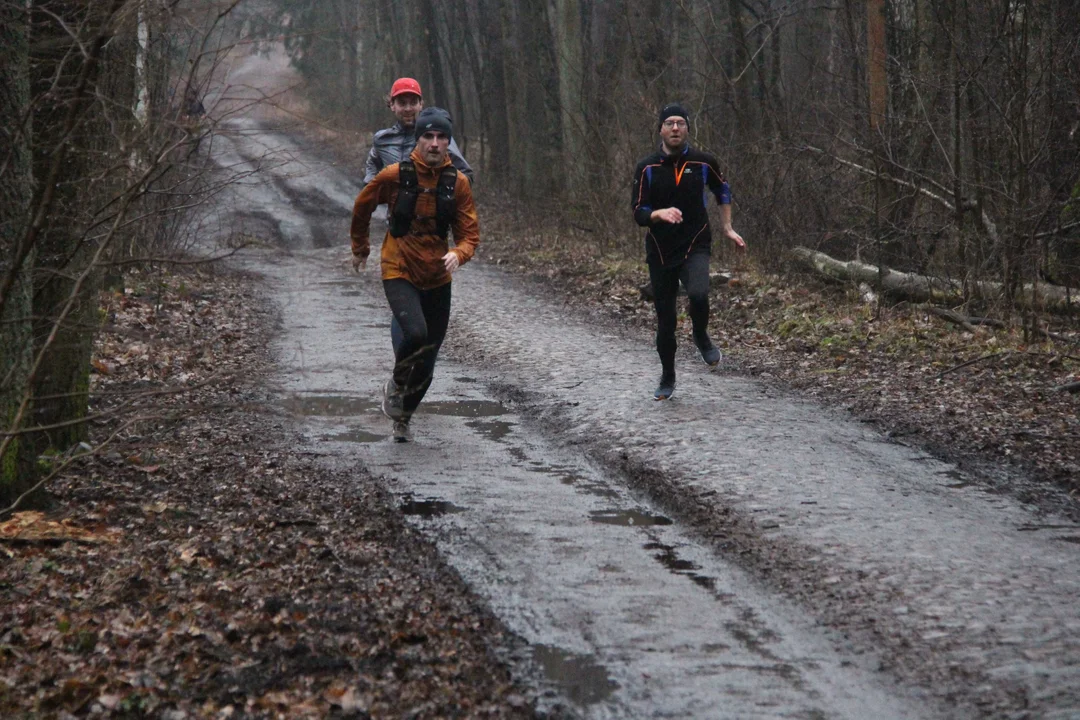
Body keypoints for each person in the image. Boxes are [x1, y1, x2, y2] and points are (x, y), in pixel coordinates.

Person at [350, 107, 479, 441]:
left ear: (449, 143)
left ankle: (403, 416)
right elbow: (363, 205)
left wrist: (458, 253)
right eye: (428, 136)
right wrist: (361, 247)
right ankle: (395, 384)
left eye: (441, 138)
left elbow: (470, 235)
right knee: (416, 333)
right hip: (399, 266)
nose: (434, 144)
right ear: (418, 140)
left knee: (429, 366)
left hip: (438, 273)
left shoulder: (458, 182)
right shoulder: (394, 175)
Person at [631, 103, 746, 401]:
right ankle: (668, 375)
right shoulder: (647, 167)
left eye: (680, 123)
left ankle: (700, 335)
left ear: (687, 129)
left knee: (698, 292)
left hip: (696, 241)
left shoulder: (704, 162)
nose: (675, 128)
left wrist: (728, 227)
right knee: (666, 321)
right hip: (660, 249)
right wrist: (659, 214)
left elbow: (723, 190)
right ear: (660, 129)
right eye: (669, 123)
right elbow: (639, 211)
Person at [363, 77, 473, 187]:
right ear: (392, 105)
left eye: (413, 102)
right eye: (402, 103)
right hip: (393, 203)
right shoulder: (382, 139)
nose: (408, 108)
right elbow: (372, 162)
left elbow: (466, 174)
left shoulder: (435, 136)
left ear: (421, 104)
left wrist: (444, 190)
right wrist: (370, 185)